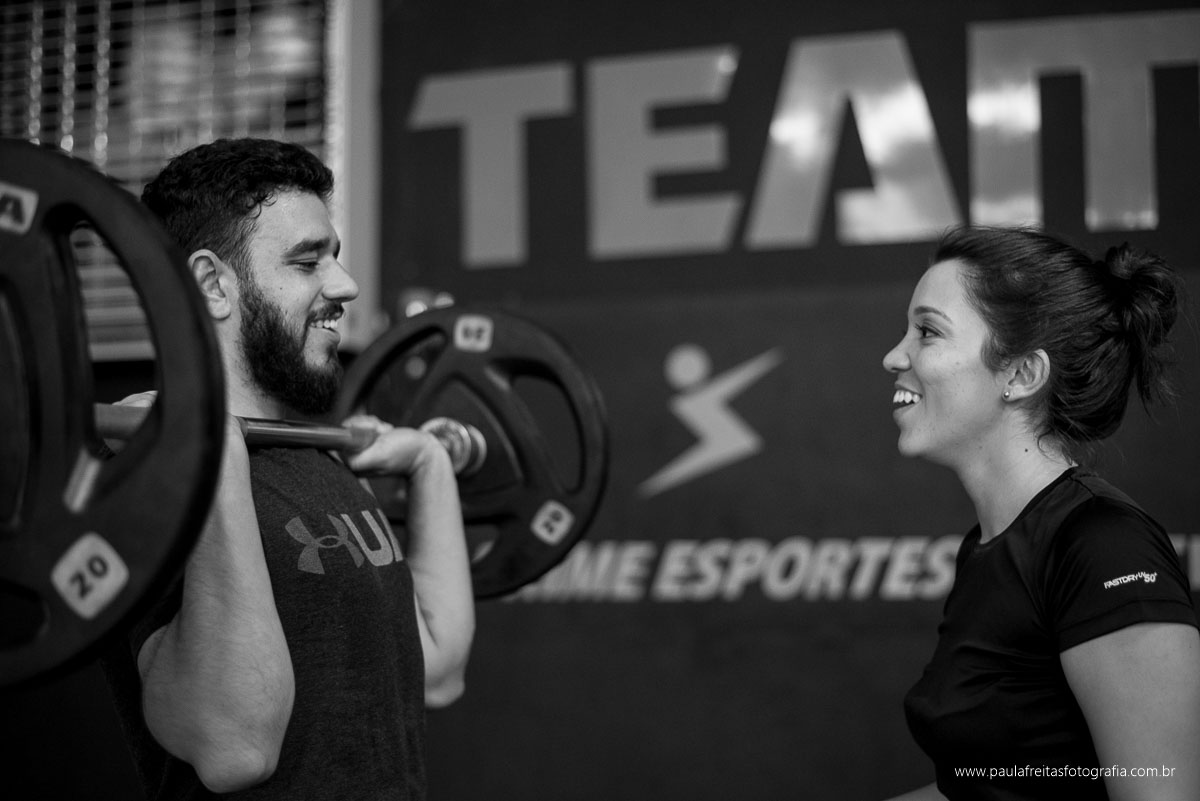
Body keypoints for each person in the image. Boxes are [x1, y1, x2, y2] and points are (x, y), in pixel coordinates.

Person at [101, 137, 475, 800]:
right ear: (214, 284)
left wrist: (430, 464)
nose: (345, 285)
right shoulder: (146, 480)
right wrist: (212, 452)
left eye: (334, 255)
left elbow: (436, 668)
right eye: (308, 262)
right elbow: (234, 747)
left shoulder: (318, 457)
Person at [880, 226, 1200, 801]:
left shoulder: (1105, 547)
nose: (894, 355)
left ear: (1022, 375)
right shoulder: (989, 545)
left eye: (927, 331)